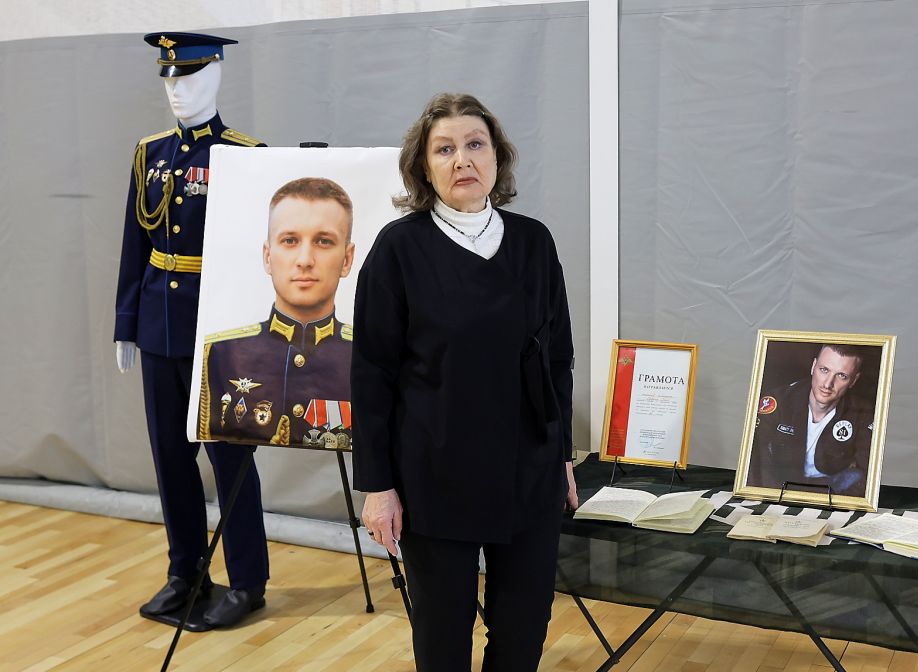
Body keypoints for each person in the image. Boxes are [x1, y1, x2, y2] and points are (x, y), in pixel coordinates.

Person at [353, 93, 577, 671]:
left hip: (528, 469)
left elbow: (557, 359)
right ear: (423, 167)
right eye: (444, 149)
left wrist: (563, 459)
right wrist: (378, 487)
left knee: (524, 629)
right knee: (443, 635)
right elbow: (372, 374)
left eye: (475, 144)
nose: (462, 160)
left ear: (497, 157)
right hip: (434, 476)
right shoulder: (398, 249)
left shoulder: (534, 242)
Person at [113, 32, 269, 629]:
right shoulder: (149, 154)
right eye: (171, 78)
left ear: (217, 76)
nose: (178, 90)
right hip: (159, 326)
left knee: (231, 461)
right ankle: (186, 573)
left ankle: (248, 582)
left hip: (219, 331)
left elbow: (259, 256)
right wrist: (127, 323)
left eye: (191, 77)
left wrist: (257, 337)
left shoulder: (244, 155)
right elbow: (135, 243)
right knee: (171, 459)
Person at [198, 177, 356, 449]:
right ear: (268, 256)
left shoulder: (369, 355)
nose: (305, 260)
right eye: (290, 240)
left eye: (323, 241)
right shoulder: (220, 354)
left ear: (347, 259)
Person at [746, 343, 875, 497]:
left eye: (842, 376)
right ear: (813, 367)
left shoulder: (862, 412)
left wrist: (831, 503)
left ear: (853, 380)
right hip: (781, 482)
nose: (827, 384)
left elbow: (868, 471)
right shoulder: (779, 400)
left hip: (830, 486)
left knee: (855, 477)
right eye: (824, 370)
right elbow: (754, 459)